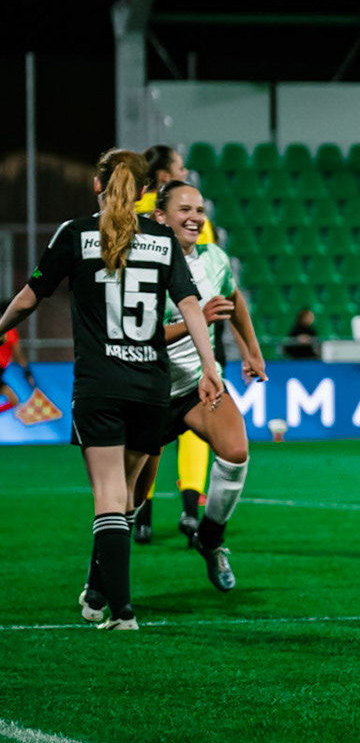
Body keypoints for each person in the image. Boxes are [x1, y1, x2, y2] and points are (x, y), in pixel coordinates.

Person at [0, 148, 221, 629]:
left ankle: (122, 612)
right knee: (126, 498)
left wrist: (0, 328)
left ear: (97, 185)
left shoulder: (76, 234)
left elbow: (28, 299)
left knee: (108, 496)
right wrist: (210, 367)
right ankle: (98, 592)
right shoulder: (162, 239)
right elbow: (190, 307)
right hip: (150, 386)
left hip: (101, 384)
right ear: (144, 193)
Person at [149, 179, 266, 589]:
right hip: (149, 391)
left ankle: (211, 540)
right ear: (160, 217)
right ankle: (101, 577)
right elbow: (137, 336)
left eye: (199, 210)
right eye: (185, 210)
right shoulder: (142, 264)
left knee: (235, 452)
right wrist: (195, 320)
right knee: (123, 498)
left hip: (201, 385)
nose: (195, 218)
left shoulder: (215, 258)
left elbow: (234, 302)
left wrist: (251, 349)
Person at [130, 144, 216, 544]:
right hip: (187, 336)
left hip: (135, 341)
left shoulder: (127, 214)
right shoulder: (188, 215)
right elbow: (206, 265)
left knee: (148, 434)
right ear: (165, 176)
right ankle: (188, 511)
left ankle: (140, 516)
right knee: (193, 432)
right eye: (179, 169)